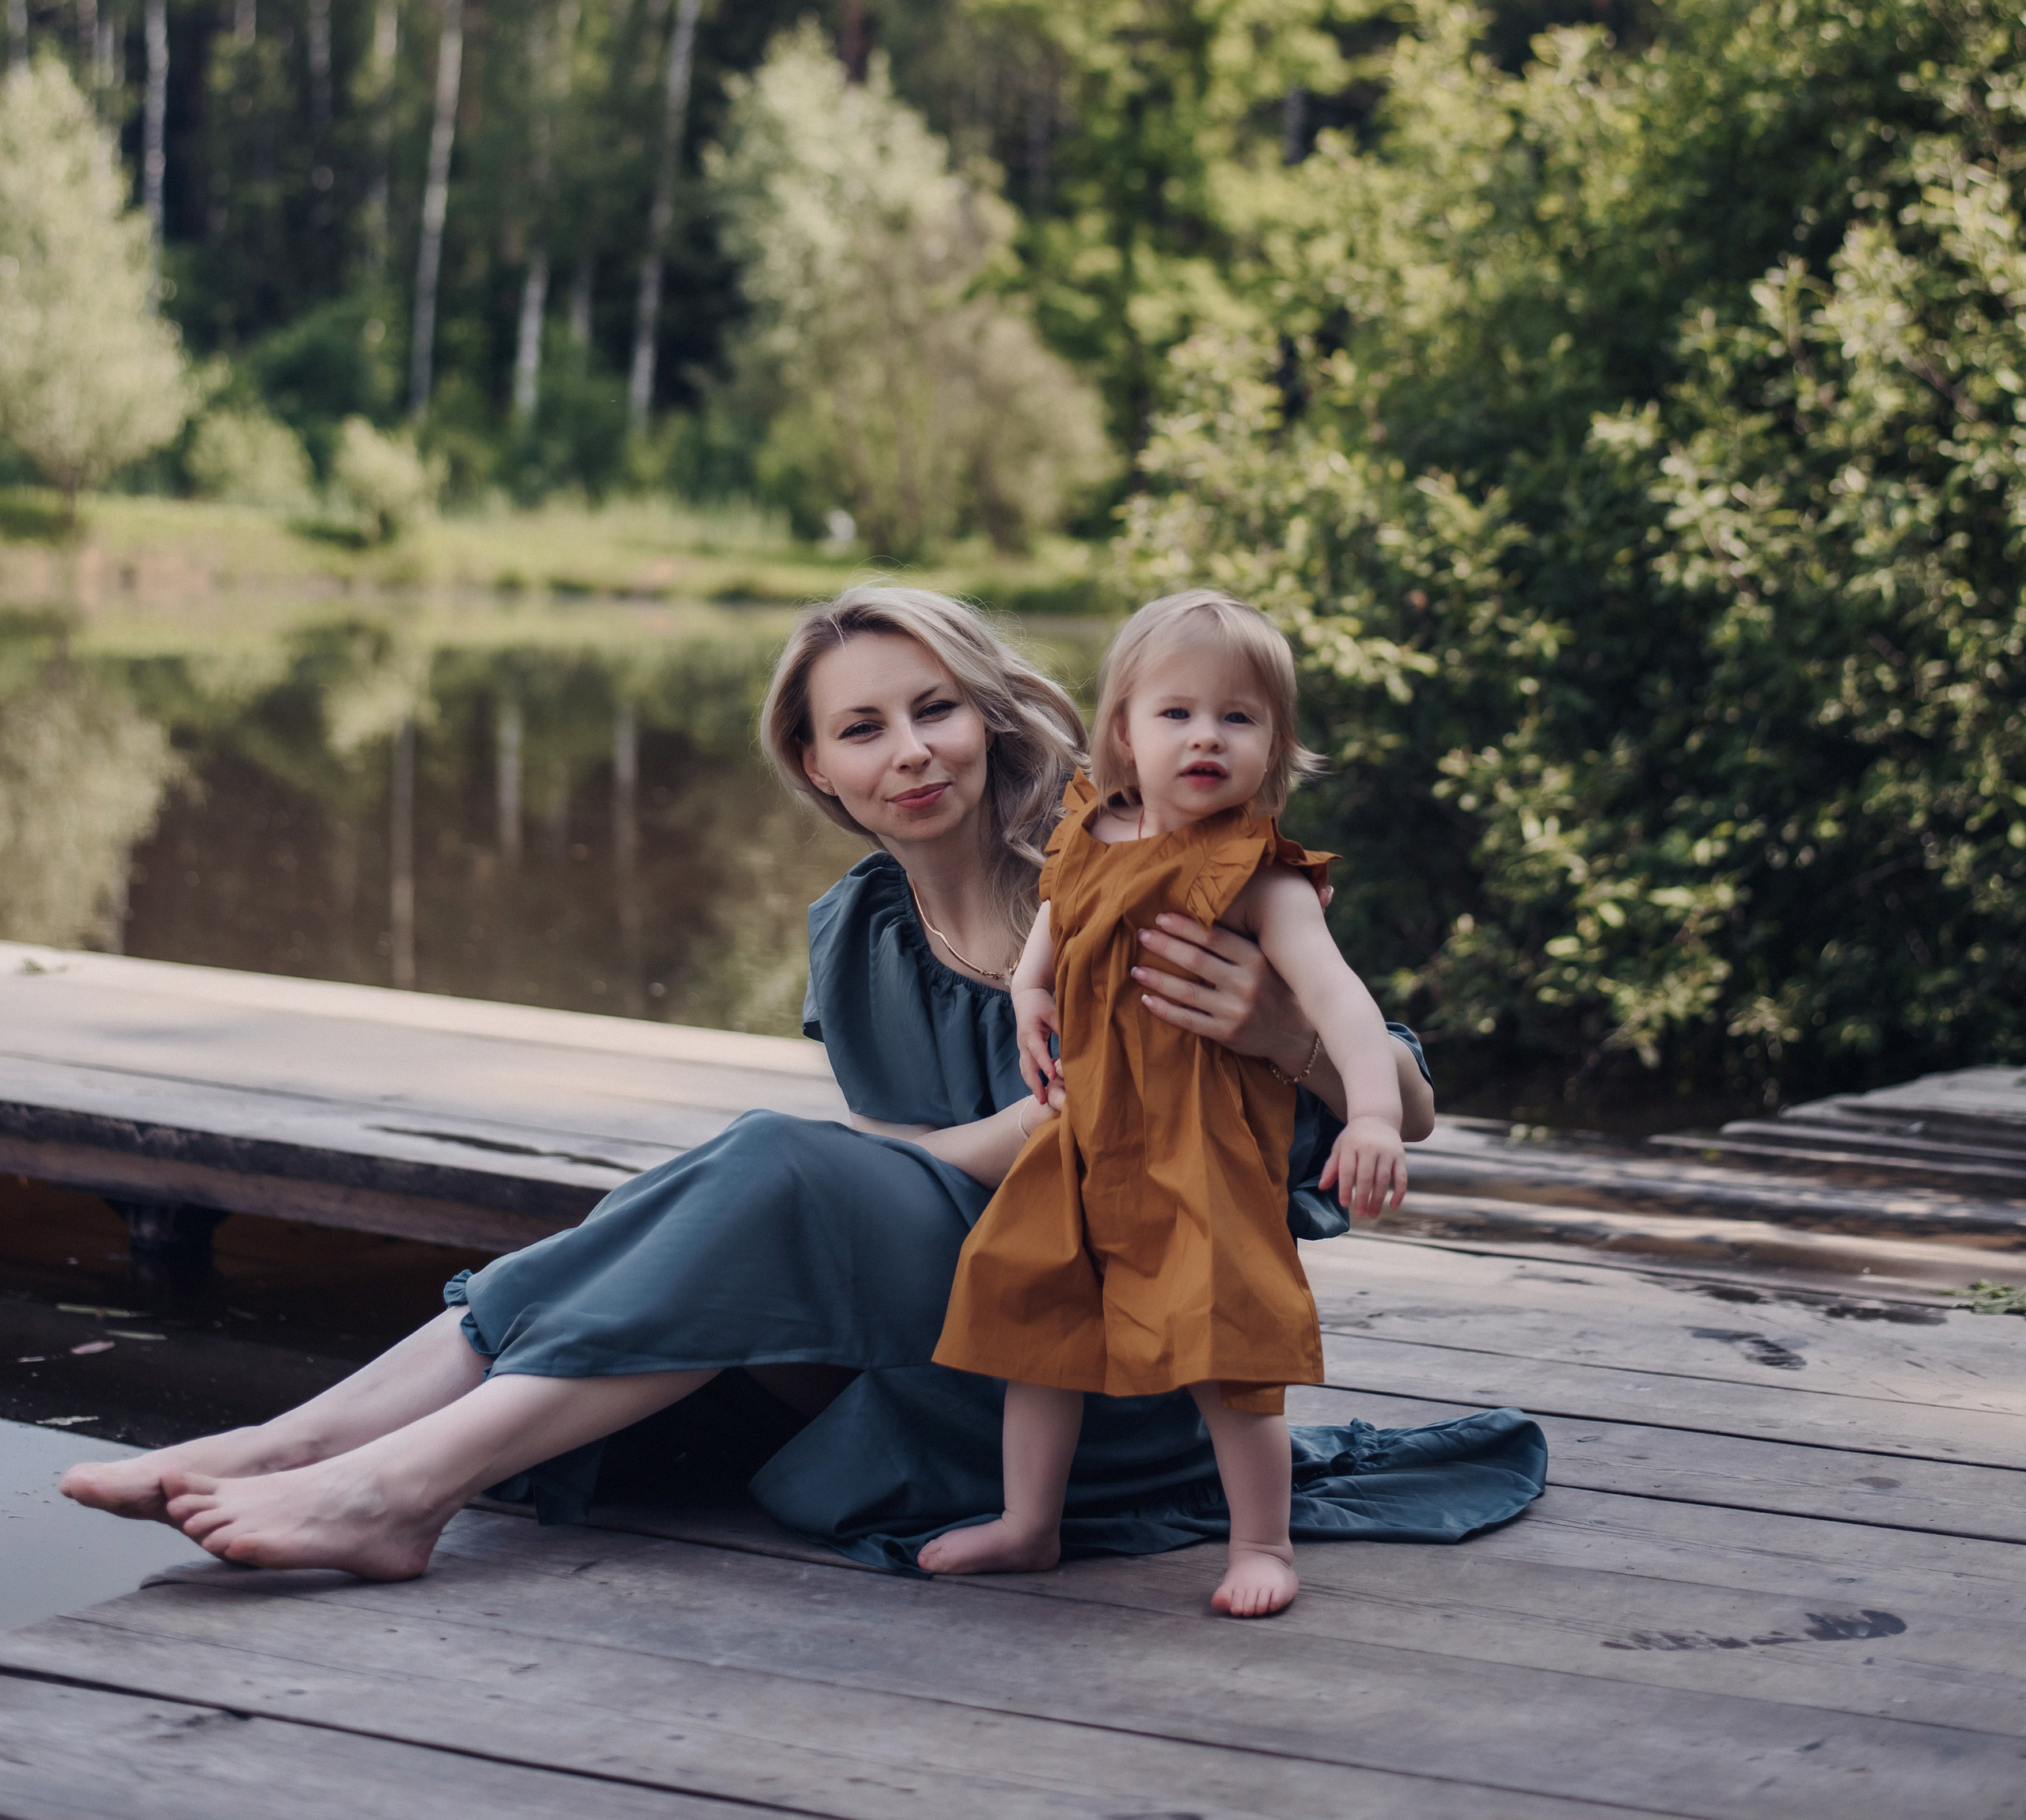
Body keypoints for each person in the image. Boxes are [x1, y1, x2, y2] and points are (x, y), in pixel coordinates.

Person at [61, 586, 1542, 1579]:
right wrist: (900, 1156)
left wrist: (1281, 1036)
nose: (910, 751)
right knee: (735, 1180)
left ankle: (387, 1481)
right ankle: (310, 1440)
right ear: (815, 767)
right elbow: (910, 1167)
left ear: (990, 714)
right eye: (862, 728)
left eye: (934, 708)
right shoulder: (859, 933)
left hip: (1111, 1357)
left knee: (773, 1164)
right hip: (947, 1317)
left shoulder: (1123, 869)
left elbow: (1399, 1094)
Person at [924, 591, 1406, 1617]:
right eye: (1176, 712)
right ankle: (1028, 1523)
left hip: (1201, 1148)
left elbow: (1340, 1001)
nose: (1206, 735)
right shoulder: (1093, 826)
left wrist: (1371, 1113)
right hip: (1086, 1138)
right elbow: (1056, 912)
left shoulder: (1259, 877)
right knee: (1033, 1312)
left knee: (1225, 1340)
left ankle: (1263, 1540)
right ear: (1123, 736)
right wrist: (1030, 984)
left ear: (1274, 747)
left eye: (1239, 717)